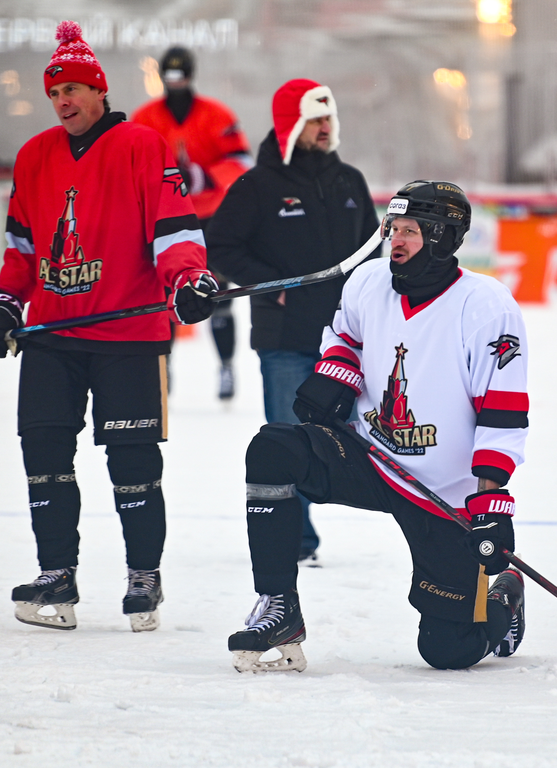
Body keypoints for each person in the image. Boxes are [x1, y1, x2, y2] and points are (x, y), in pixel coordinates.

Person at [0, 21, 218, 633]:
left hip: (129, 336)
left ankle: (143, 576)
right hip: (53, 336)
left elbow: (175, 229)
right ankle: (56, 574)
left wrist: (186, 281)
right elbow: (22, 251)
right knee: (44, 455)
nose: (64, 102)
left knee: (132, 461)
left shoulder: (142, 145)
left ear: (99, 91)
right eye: (55, 92)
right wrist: (2, 301)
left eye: (75, 89)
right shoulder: (33, 156)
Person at [225, 181, 529, 673]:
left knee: (447, 651)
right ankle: (278, 606)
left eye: (411, 231)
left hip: (442, 490)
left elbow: (503, 410)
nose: (397, 240)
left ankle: (504, 599)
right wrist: (335, 378)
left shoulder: (487, 307)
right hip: (367, 455)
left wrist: (490, 502)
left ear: (442, 237)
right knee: (272, 447)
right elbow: (343, 336)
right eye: (394, 229)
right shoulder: (368, 282)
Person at [207, 78, 380, 564]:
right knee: (287, 439)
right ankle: (295, 541)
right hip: (285, 341)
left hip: (345, 341)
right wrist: (273, 283)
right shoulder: (257, 186)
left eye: (329, 119)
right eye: (315, 120)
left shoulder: (350, 181)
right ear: (291, 125)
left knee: (352, 441)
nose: (326, 128)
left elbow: (372, 252)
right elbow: (220, 246)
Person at [131, 46, 252, 400]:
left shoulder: (216, 115)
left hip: (213, 216)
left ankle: (226, 365)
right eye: (169, 77)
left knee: (217, 294)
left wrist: (205, 176)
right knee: (168, 296)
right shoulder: (145, 117)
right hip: (167, 217)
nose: (175, 84)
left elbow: (242, 161)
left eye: (179, 76)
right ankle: (164, 365)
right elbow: (130, 165)